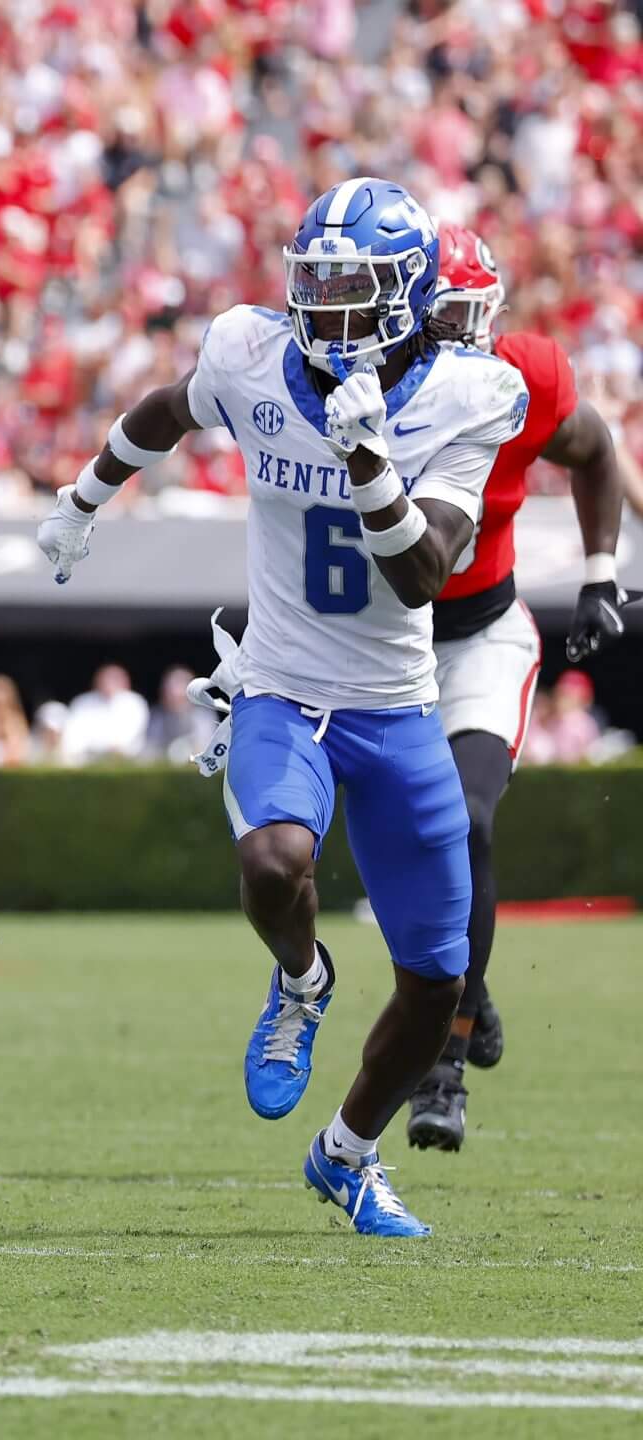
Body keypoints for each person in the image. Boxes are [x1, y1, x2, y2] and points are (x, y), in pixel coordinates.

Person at [39, 178, 526, 1236]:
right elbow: (167, 409)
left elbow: (422, 574)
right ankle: (301, 983)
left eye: (353, 285)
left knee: (437, 984)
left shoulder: (470, 393)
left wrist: (367, 462)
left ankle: (345, 1156)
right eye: (315, 279)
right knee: (270, 860)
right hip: (282, 685)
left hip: (396, 707)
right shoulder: (250, 353)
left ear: (408, 293)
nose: (326, 303)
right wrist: (82, 497)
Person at [402, 223, 639, 1152]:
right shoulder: (362, 386)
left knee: (466, 820)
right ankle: (476, 983)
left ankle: (444, 1065)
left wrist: (599, 571)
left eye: (473, 318)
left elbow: (593, 446)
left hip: (480, 632)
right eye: (442, 318)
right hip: (379, 643)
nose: (461, 338)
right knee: (406, 846)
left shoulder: (526, 374)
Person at [62, 664, 150, 763]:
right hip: (85, 757)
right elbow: (74, 732)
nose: (109, 683)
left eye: (114, 679)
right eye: (106, 679)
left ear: (126, 682)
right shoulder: (82, 702)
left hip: (126, 757)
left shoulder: (135, 702)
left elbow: (129, 735)